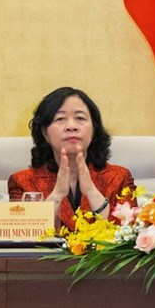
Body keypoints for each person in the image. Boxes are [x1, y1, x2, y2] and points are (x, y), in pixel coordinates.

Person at [8, 86, 136, 231]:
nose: (71, 126)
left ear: (94, 129)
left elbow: (129, 235)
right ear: (44, 133)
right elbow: (22, 236)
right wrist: (57, 195)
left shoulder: (120, 178)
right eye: (60, 119)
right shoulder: (22, 182)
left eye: (80, 118)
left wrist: (92, 192)